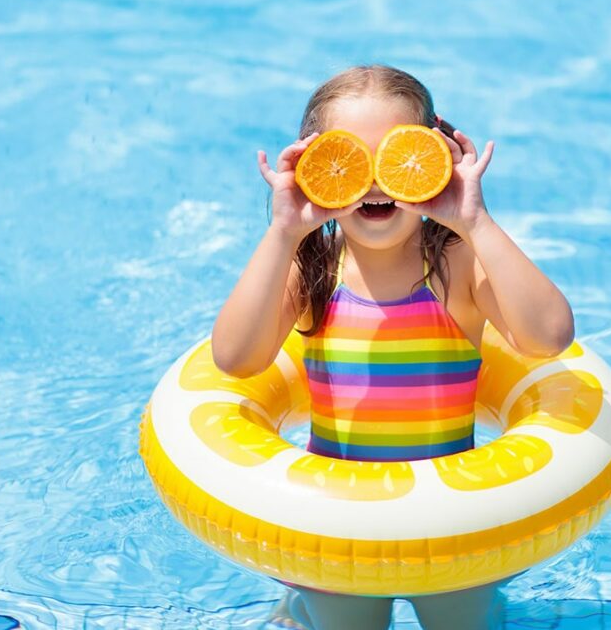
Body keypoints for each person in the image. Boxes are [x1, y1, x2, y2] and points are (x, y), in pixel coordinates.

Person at [212, 64, 574, 630]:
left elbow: (548, 337)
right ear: (312, 167)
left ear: (436, 158)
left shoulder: (457, 266)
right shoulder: (312, 270)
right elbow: (236, 359)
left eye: (397, 157)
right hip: (338, 531)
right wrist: (283, 233)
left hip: (452, 527)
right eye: (348, 159)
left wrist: (475, 221)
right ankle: (297, 610)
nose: (376, 181)